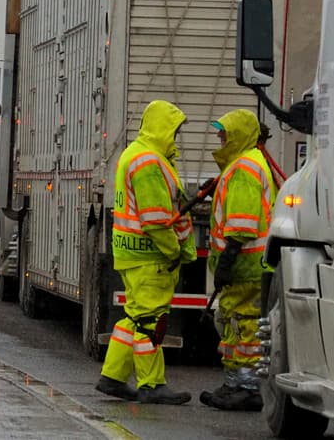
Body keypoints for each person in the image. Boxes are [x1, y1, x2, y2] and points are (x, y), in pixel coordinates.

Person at [96, 99, 195, 405]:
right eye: (175, 129)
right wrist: (173, 250)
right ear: (163, 128)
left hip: (131, 253)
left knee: (134, 317)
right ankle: (152, 384)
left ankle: (112, 377)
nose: (176, 136)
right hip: (150, 255)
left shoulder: (135, 154)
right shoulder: (150, 162)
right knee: (151, 320)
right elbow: (156, 219)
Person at [200, 109, 276, 412]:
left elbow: (242, 225)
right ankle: (234, 383)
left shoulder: (244, 168)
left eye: (224, 134)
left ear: (239, 135)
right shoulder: (242, 166)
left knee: (246, 324)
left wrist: (227, 262)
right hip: (245, 266)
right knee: (234, 321)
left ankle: (247, 387)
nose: (220, 138)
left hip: (246, 266)